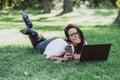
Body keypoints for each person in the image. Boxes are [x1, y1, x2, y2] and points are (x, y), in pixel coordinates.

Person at [20, 24, 87, 63]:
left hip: (56, 40)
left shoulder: (82, 39)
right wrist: (62, 59)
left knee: (43, 40)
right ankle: (31, 31)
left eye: (77, 32)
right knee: (37, 45)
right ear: (68, 38)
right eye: (72, 34)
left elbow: (84, 52)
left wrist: (80, 55)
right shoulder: (65, 46)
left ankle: (35, 33)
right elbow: (49, 56)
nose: (77, 36)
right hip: (46, 46)